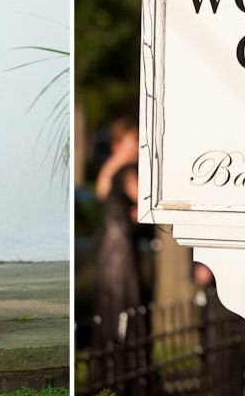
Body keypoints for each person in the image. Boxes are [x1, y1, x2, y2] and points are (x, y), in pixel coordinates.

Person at [95, 118, 141, 340]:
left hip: (113, 244)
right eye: (135, 140)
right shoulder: (123, 171)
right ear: (119, 144)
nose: (139, 145)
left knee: (115, 300)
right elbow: (102, 191)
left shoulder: (124, 171)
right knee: (120, 299)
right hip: (119, 245)